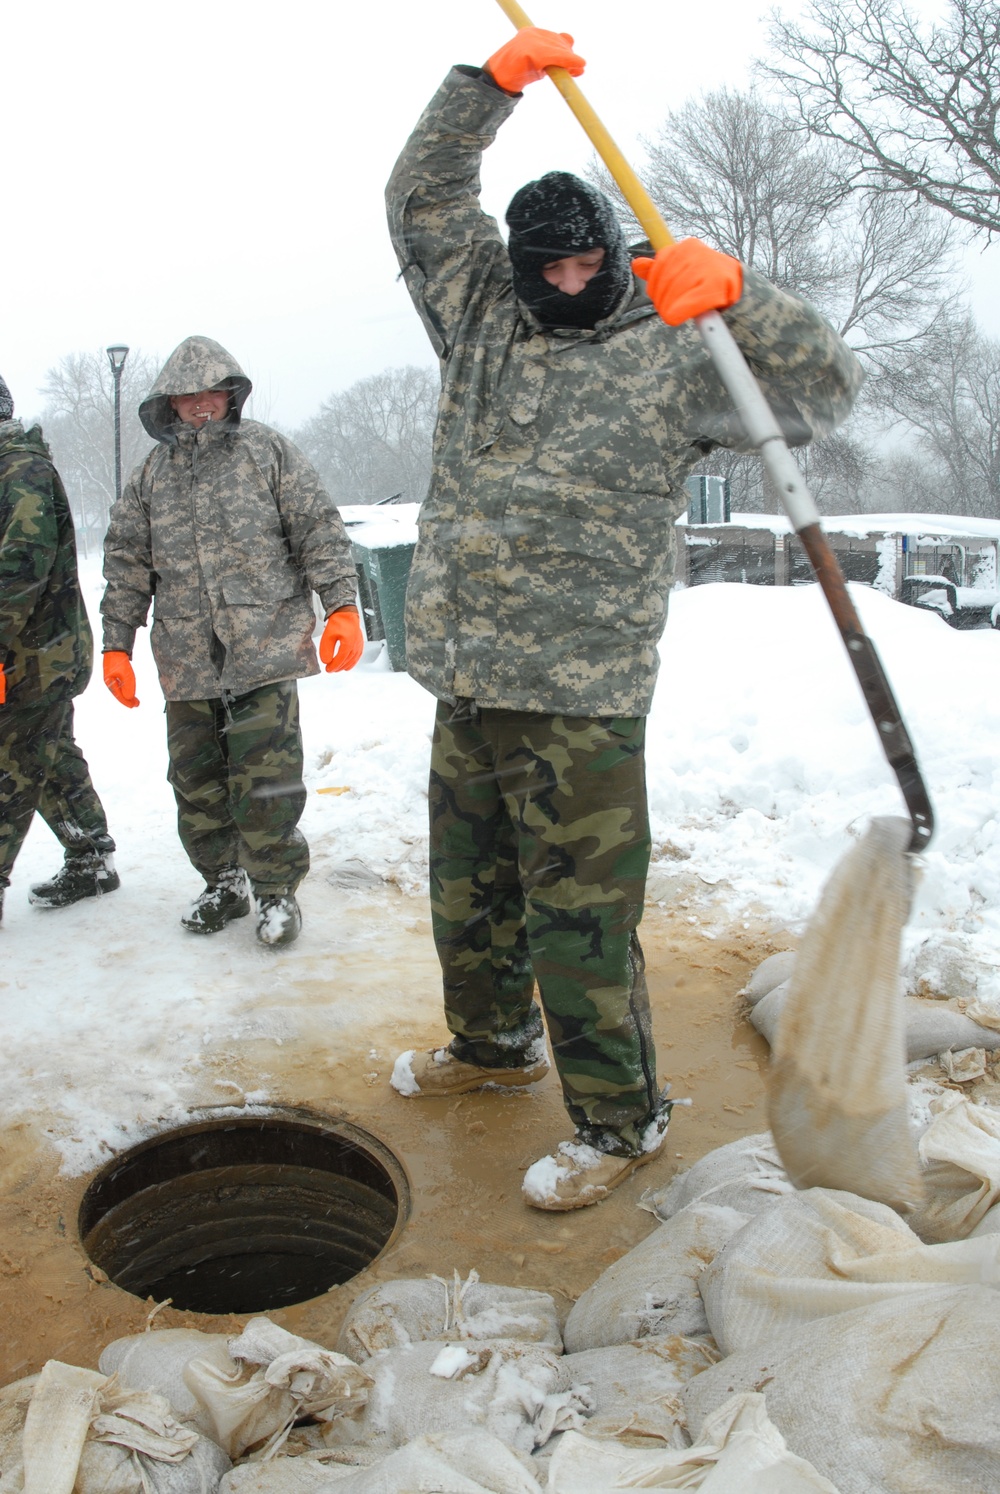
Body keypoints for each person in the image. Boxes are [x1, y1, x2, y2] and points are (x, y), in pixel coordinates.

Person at [385, 28, 864, 1210]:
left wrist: (746, 300)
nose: (560, 284)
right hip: (468, 671)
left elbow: (820, 392)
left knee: (579, 924)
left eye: (579, 265)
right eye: (540, 267)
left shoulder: (670, 345)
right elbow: (420, 196)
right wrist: (483, 91)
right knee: (469, 893)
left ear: (610, 249)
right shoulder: (481, 314)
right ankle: (491, 1048)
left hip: (583, 693)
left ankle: (619, 1118)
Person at [100, 336, 363, 948]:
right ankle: (223, 881)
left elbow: (318, 529)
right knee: (195, 779)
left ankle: (275, 892)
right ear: (169, 403)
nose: (200, 405)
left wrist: (343, 605)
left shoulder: (267, 453)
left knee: (266, 776)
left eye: (211, 391)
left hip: (264, 647)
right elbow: (127, 562)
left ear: (231, 394)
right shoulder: (149, 476)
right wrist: (117, 644)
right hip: (185, 656)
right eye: (187, 395)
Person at [0, 373, 120, 923]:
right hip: (29, 656)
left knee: (13, 766)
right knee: (47, 756)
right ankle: (92, 856)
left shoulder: (20, 471)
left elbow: (19, 570)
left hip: (32, 656)